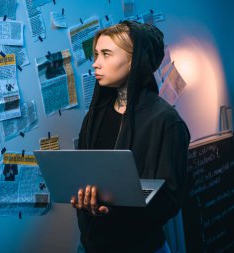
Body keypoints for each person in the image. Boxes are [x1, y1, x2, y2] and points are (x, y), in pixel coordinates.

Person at [71, 20, 191, 253]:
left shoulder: (166, 121)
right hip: (90, 247)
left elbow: (170, 201)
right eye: (96, 54)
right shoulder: (94, 116)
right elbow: (84, 173)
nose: (96, 64)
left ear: (136, 60)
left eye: (106, 54)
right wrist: (86, 198)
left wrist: (118, 207)